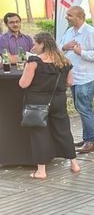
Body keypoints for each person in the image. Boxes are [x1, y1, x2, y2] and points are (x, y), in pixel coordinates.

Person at [19, 32, 80, 179]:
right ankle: (74, 164)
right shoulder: (64, 61)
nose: (33, 47)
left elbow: (24, 84)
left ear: (42, 44)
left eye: (35, 44)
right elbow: (70, 82)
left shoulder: (34, 61)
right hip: (58, 101)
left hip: (37, 103)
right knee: (63, 131)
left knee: (39, 133)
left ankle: (41, 171)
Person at [58, 6, 94, 154]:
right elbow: (59, 48)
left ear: (80, 17)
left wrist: (82, 52)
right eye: (67, 15)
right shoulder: (69, 32)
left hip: (88, 77)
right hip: (74, 77)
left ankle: (91, 140)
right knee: (80, 107)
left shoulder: (91, 33)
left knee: (84, 107)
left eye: (70, 15)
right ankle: (89, 137)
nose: (67, 17)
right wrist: (64, 47)